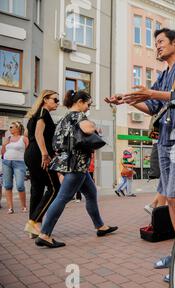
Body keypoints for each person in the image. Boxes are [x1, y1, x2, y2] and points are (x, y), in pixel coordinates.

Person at [106, 28, 175, 282]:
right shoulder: (162, 75)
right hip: (164, 138)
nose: (157, 46)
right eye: (155, 43)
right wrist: (127, 100)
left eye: (161, 42)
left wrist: (148, 92)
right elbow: (152, 107)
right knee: (170, 199)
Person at [35, 90, 118, 248]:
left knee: (91, 192)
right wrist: (95, 127)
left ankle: (100, 226)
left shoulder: (63, 119)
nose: (88, 107)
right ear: (79, 102)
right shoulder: (79, 116)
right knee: (62, 197)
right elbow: (87, 129)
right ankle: (45, 234)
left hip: (71, 163)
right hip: (77, 165)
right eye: (88, 104)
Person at [23, 90, 61, 239]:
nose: (57, 103)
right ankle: (33, 221)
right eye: (55, 100)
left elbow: (27, 134)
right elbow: (39, 134)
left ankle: (34, 226)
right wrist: (45, 154)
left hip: (31, 153)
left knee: (37, 190)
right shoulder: (43, 113)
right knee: (54, 188)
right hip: (39, 154)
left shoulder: (35, 114)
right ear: (45, 99)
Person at [1, 121, 29, 214]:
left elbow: (28, 152)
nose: (10, 129)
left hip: (19, 163)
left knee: (20, 186)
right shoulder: (8, 139)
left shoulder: (24, 138)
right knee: (8, 185)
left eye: (12, 127)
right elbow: (3, 152)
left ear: (18, 128)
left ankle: (24, 206)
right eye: (10, 127)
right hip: (7, 162)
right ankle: (10, 208)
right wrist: (4, 145)